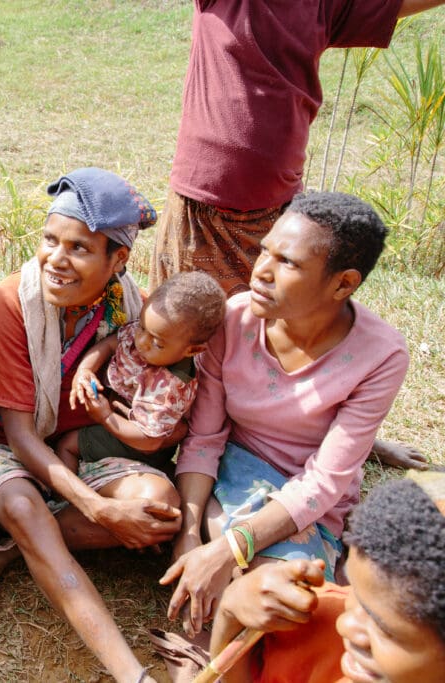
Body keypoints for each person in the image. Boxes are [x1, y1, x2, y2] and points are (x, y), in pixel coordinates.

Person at [0, 168, 183, 683]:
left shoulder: (128, 304)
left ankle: (10, 549)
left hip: (85, 448)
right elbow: (19, 436)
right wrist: (100, 507)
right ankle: (132, 675)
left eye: (79, 248)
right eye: (50, 240)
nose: (56, 259)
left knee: (161, 508)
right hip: (9, 453)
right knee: (18, 502)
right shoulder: (15, 301)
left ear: (118, 260)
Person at [161, 192, 409, 638]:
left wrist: (228, 550)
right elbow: (204, 439)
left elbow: (325, 482)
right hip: (229, 479)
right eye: (263, 251)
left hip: (305, 499)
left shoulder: (380, 355)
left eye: (288, 263)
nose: (261, 271)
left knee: (289, 602)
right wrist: (190, 534)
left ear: (343, 284)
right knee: (232, 586)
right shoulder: (234, 320)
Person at [149, 0, 445, 297]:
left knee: (265, 329)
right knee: (180, 326)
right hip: (200, 209)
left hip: (276, 211)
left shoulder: (321, 6)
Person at [208, 470, 445, 682]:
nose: (346, 625)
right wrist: (230, 612)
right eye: (355, 592)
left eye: (386, 631)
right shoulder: (319, 621)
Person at [56, 271, 225, 471]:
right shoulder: (150, 332)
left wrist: (105, 417)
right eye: (142, 328)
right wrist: (85, 370)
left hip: (136, 441)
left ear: (193, 350)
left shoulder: (170, 387)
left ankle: (64, 500)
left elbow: (149, 441)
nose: (141, 342)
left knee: (67, 446)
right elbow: (111, 344)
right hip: (120, 415)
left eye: (157, 343)